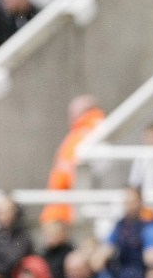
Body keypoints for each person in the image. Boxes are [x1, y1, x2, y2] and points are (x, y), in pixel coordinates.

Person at [39, 94, 106, 225]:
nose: (70, 116)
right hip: (64, 199)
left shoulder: (93, 131)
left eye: (73, 112)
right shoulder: (80, 132)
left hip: (74, 201)